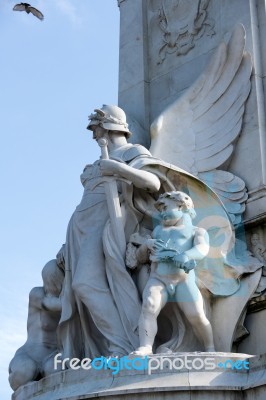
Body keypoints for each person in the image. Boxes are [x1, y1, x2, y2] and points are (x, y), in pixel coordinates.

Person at [59, 105, 161, 360]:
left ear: (109, 126)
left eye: (96, 127)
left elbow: (153, 183)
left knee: (85, 283)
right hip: (80, 226)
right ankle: (113, 345)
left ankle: (122, 344)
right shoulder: (94, 164)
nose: (94, 134)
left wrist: (119, 169)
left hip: (105, 223)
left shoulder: (133, 152)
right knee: (77, 288)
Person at [132, 191, 215, 356]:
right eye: (160, 210)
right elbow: (140, 257)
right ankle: (146, 347)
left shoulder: (197, 231)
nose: (162, 213)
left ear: (181, 206)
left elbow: (202, 249)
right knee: (149, 306)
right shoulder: (157, 231)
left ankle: (210, 347)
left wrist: (185, 255)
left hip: (183, 280)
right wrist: (147, 245)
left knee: (196, 315)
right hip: (159, 278)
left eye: (165, 208)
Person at [9, 260, 64, 390]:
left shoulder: (68, 300)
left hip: (52, 355)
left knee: (57, 371)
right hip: (30, 354)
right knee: (25, 370)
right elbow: (53, 304)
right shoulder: (37, 294)